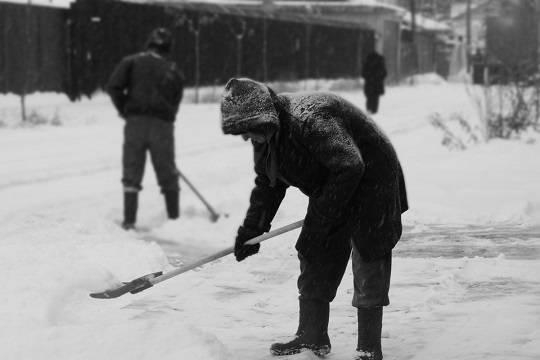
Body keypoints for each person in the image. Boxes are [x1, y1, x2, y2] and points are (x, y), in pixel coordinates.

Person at [220, 78, 408, 360]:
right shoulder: (267, 138)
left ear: (264, 120)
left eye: (247, 130)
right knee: (314, 250)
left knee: (368, 255)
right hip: (335, 184)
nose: (246, 138)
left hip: (373, 183)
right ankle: (312, 336)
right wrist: (251, 231)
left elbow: (350, 165)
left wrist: (319, 219)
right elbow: (268, 185)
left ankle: (369, 349)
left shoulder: (311, 119)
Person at [106, 27, 184, 230]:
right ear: (168, 47)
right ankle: (174, 221)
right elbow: (176, 97)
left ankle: (129, 221)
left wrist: (125, 109)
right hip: (162, 125)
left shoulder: (131, 62)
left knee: (132, 170)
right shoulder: (173, 69)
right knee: (167, 171)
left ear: (149, 43)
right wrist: (167, 116)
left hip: (136, 123)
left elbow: (114, 87)